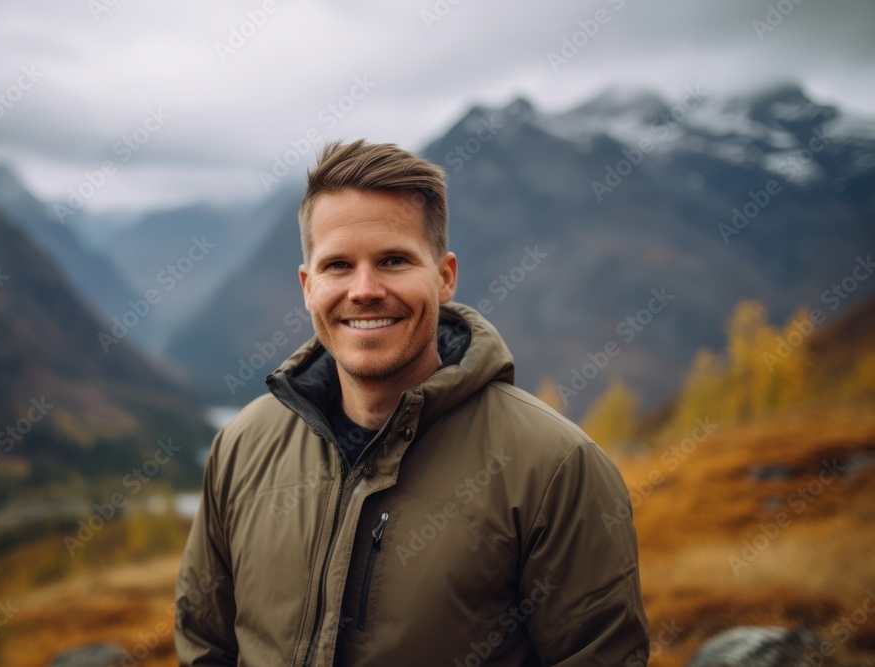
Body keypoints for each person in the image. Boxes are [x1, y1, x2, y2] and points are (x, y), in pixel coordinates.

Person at [175, 139, 650, 666]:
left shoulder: (556, 470)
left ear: (444, 277)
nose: (364, 289)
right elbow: (205, 644)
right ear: (308, 286)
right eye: (337, 266)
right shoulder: (241, 447)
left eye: (394, 260)